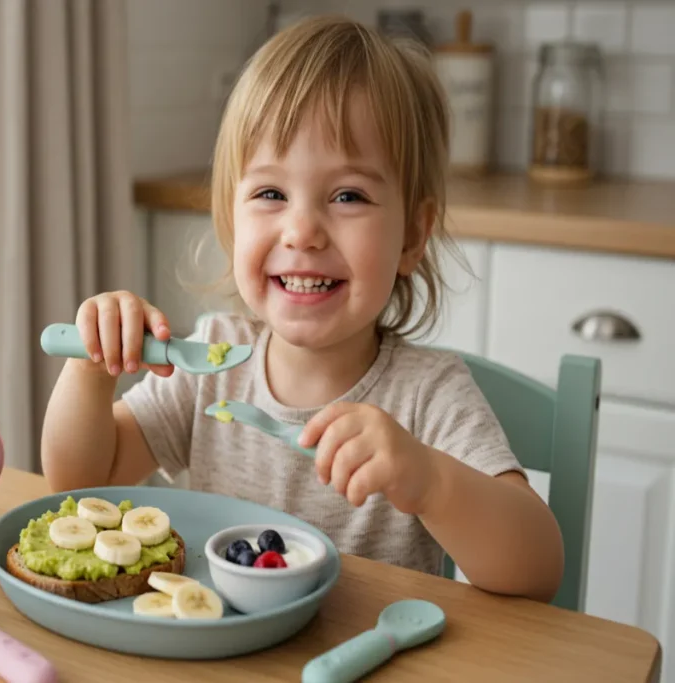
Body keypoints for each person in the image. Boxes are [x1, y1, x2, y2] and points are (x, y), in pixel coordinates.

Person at [41, 15, 563, 602]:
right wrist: (91, 370)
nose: (303, 231)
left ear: (413, 237)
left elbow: (538, 570)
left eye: (348, 196)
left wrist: (431, 480)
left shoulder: (429, 395)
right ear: (231, 220)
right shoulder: (210, 365)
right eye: (271, 193)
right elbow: (78, 482)